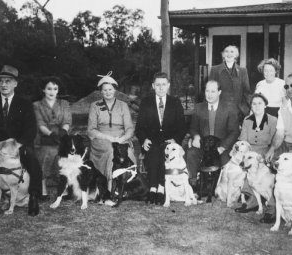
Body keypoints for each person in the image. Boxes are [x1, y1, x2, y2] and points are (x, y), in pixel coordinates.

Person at [0, 65, 42, 217]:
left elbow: (31, 129)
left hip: (18, 144)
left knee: (32, 158)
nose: (4, 84)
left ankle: (33, 196)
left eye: (8, 81)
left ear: (15, 84)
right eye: (1, 81)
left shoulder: (25, 104)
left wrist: (18, 145)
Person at [135, 72, 186, 205]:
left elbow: (182, 126)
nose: (161, 88)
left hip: (170, 141)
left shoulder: (175, 102)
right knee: (154, 151)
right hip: (152, 140)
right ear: (153, 86)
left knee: (166, 151)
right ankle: (153, 188)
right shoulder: (146, 102)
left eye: (164, 84)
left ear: (168, 86)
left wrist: (175, 140)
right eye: (158, 85)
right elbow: (139, 127)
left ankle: (162, 189)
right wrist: (144, 139)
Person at [186, 80, 240, 187]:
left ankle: (221, 185)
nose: (209, 95)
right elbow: (193, 128)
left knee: (226, 162)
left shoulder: (229, 108)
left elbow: (234, 131)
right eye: (207, 91)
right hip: (203, 146)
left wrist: (223, 147)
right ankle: (193, 184)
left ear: (219, 92)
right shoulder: (198, 108)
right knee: (191, 153)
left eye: (213, 91)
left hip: (221, 146)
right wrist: (196, 137)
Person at [88, 72, 135, 190]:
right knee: (111, 150)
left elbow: (129, 128)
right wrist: (108, 138)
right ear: (101, 91)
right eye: (104, 90)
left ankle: (125, 186)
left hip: (120, 138)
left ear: (115, 90)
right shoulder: (95, 106)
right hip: (102, 139)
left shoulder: (123, 105)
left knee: (127, 152)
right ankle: (108, 187)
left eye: (110, 89)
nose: (108, 92)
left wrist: (122, 139)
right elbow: (91, 130)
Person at [235, 93, 278, 222]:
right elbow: (243, 140)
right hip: (250, 152)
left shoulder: (273, 120)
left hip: (267, 152)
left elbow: (274, 141)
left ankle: (271, 207)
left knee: (263, 177)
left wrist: (269, 153)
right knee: (247, 168)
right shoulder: (247, 120)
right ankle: (253, 201)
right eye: (254, 104)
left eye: (260, 103)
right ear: (251, 106)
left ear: (265, 105)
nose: (257, 106)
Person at [33, 77, 71, 201]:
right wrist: (51, 134)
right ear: (43, 90)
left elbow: (67, 121)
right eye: (49, 88)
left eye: (55, 89)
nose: (52, 91)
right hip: (44, 137)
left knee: (64, 155)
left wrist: (63, 132)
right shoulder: (37, 105)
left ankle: (64, 189)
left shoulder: (64, 104)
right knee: (47, 154)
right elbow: (40, 124)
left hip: (62, 136)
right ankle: (43, 190)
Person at [209, 45, 251, 122]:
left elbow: (246, 92)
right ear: (223, 55)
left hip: (238, 112)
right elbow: (209, 90)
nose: (229, 54)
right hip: (219, 110)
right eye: (226, 51)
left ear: (236, 55)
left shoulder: (243, 71)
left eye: (232, 52)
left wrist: (247, 109)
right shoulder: (215, 69)